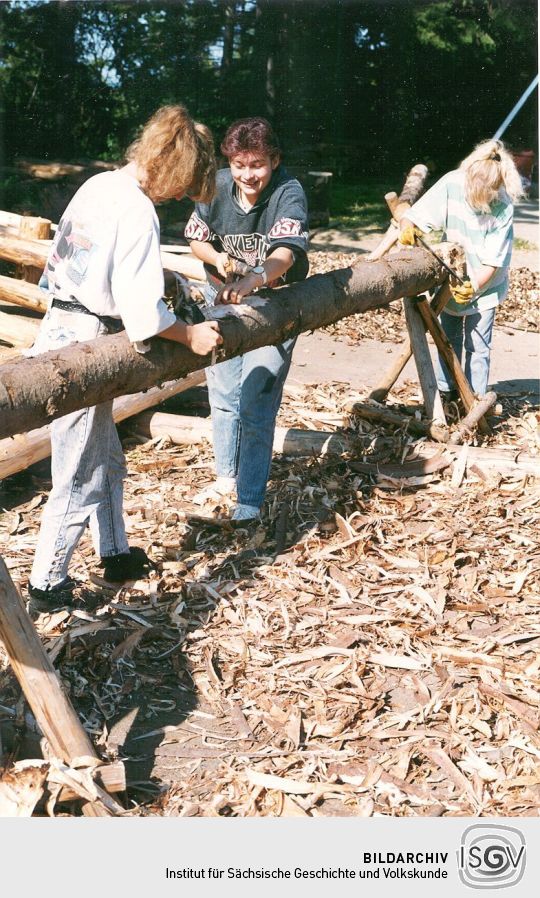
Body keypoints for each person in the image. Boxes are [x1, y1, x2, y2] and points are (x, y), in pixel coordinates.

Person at [27, 106, 222, 611]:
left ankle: (113, 550)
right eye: (185, 185)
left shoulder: (100, 185)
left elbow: (73, 264)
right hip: (89, 342)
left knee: (105, 454)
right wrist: (190, 335)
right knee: (80, 468)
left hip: (60, 325)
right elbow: (142, 316)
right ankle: (48, 583)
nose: (181, 196)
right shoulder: (138, 209)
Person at [186, 117, 309, 522]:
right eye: (240, 165)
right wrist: (219, 259)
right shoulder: (218, 184)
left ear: (274, 160)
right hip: (221, 297)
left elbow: (285, 254)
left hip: (274, 305)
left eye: (256, 164)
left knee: (257, 399)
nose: (247, 174)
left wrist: (256, 278)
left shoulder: (288, 191)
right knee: (223, 394)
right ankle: (226, 476)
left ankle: (250, 498)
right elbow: (195, 238)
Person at [399, 139, 523, 398]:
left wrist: (475, 285)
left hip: (486, 284)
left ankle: (474, 396)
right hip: (450, 276)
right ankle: (447, 391)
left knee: (478, 344)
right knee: (448, 339)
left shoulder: (503, 206)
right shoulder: (453, 182)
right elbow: (417, 215)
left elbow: (493, 261)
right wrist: (408, 227)